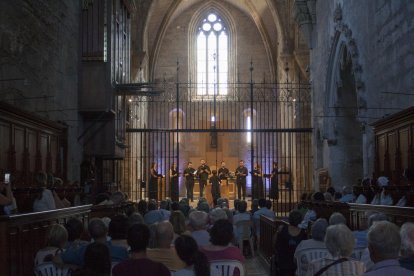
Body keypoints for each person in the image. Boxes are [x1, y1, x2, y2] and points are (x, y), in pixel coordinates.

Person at [59, 218, 128, 266]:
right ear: (107, 231)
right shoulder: (122, 252)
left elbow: (58, 258)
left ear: (89, 234)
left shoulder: (82, 251)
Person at [273, 210, 307, 276]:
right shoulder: (303, 233)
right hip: (296, 265)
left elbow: (274, 244)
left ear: (289, 219)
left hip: (283, 263)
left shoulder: (282, 229)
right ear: (300, 220)